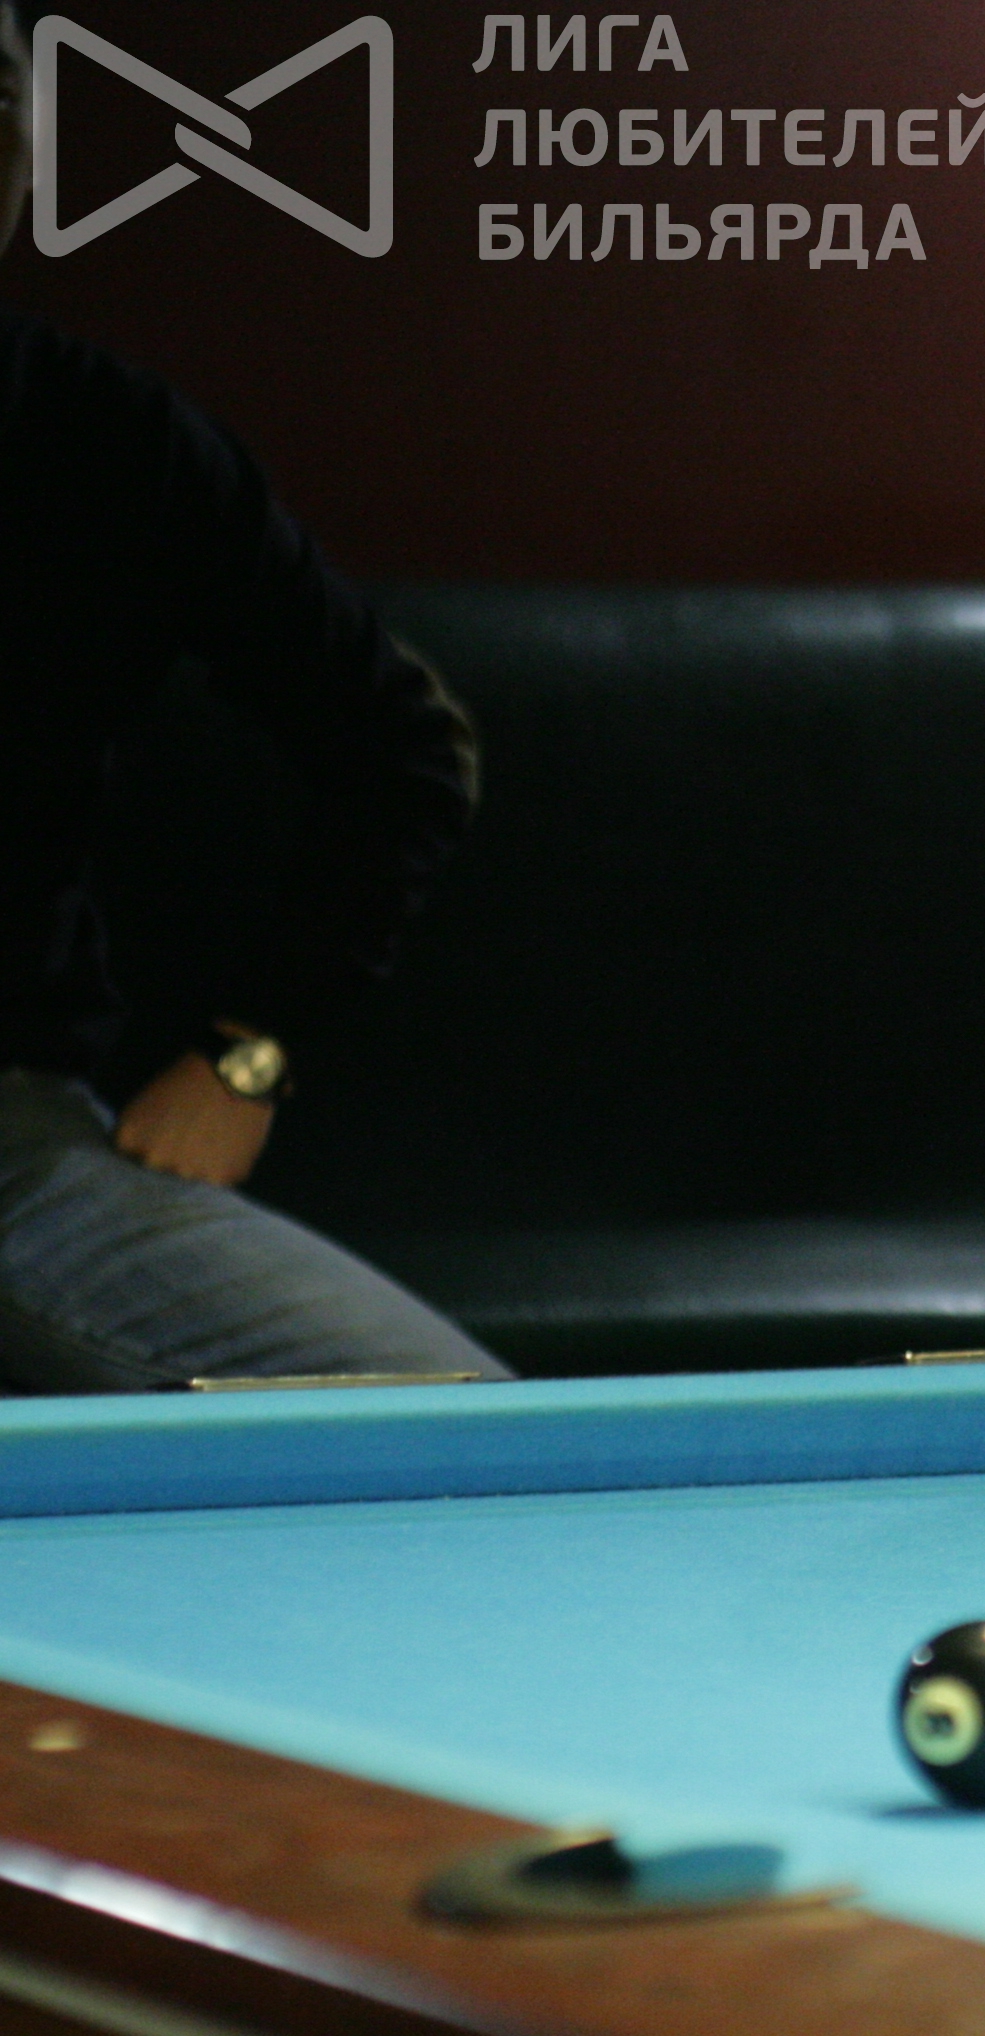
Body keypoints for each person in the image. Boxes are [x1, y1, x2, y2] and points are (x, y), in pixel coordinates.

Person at [0, 13, 505, 1392]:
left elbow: (404, 750)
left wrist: (250, 1051)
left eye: (2, 104)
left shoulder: (108, 442)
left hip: (20, 1152)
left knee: (465, 1435)